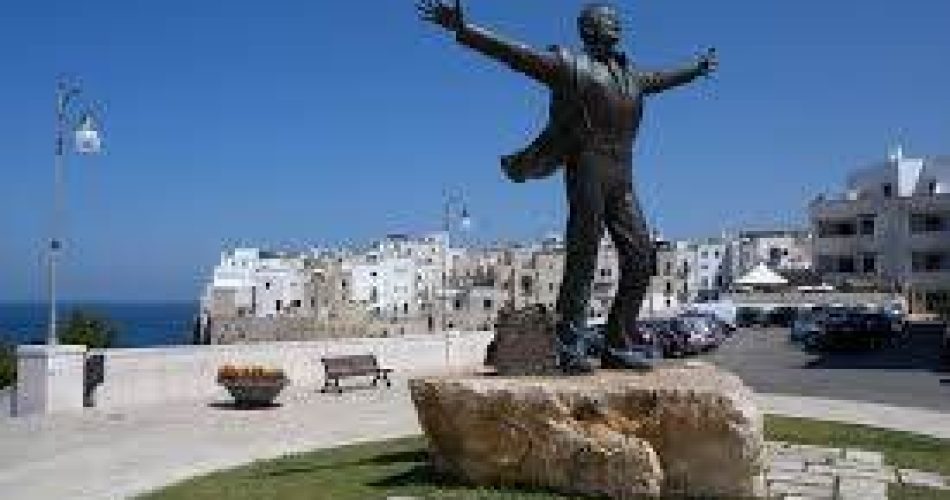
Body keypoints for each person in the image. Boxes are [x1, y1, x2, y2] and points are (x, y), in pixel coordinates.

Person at [418, 1, 717, 372]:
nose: (616, 24)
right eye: (607, 20)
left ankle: (618, 341)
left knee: (641, 255)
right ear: (588, 30)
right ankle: (569, 345)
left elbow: (663, 78)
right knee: (583, 258)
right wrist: (466, 30)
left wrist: (695, 69)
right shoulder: (571, 67)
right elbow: (518, 56)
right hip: (587, 168)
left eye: (616, 20)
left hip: (622, 176)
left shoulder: (631, 76)